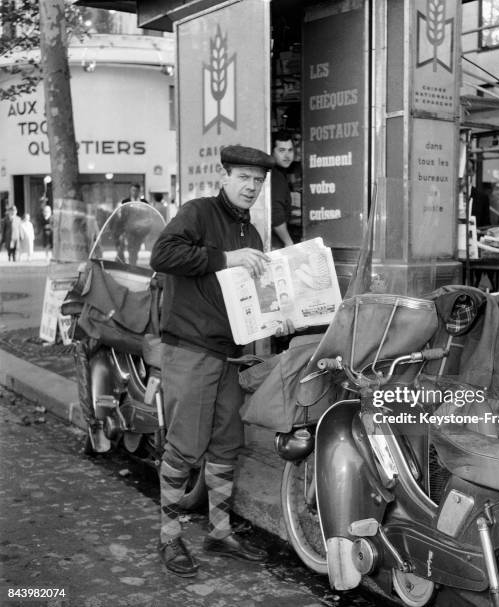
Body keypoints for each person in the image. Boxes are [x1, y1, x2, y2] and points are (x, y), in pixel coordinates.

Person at [150, 145, 293, 577]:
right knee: (183, 448)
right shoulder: (198, 213)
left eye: (259, 181)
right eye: (244, 177)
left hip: (230, 354)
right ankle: (170, 537)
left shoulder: (251, 232)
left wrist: (280, 312)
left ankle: (219, 530)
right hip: (190, 349)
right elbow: (163, 255)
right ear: (225, 176)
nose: (251, 186)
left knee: (227, 444)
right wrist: (225, 259)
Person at [270, 131, 295, 249]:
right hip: (275, 243)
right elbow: (276, 214)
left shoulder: (279, 174)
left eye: (290, 150)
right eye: (281, 150)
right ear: (272, 152)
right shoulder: (276, 177)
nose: (287, 155)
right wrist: (288, 242)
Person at [115, 184, 148, 264]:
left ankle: (133, 263)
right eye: (133, 190)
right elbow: (122, 217)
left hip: (139, 230)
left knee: (136, 249)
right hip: (128, 230)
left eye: (136, 190)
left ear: (139, 191)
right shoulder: (125, 202)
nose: (134, 192)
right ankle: (131, 264)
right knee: (130, 248)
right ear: (130, 191)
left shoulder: (144, 202)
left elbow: (147, 216)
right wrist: (121, 230)